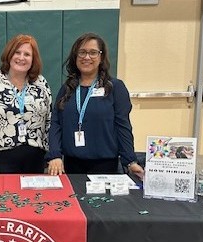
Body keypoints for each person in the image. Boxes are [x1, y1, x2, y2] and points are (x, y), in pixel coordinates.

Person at [46, 33, 145, 179]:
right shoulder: (67, 89)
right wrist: (54, 155)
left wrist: (130, 161)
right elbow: (56, 124)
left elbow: (122, 125)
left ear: (101, 57)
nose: (87, 57)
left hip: (105, 166)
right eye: (82, 52)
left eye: (93, 52)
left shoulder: (115, 88)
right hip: (70, 165)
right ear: (75, 56)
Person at [0, 34, 52, 174]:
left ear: (33, 60)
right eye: (17, 52)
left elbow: (50, 119)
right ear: (9, 55)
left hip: (36, 158)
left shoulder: (41, 83)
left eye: (27, 54)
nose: (21, 58)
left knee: (34, 196)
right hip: (2, 158)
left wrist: (50, 155)